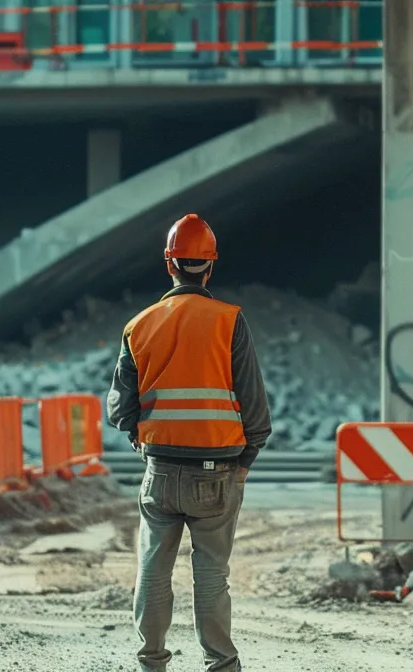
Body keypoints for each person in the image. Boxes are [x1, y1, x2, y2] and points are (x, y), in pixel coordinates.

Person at [106, 213, 272, 672]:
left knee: (154, 570)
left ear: (169, 264)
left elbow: (120, 409)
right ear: (210, 267)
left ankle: (151, 662)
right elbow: (255, 407)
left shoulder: (138, 326)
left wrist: (144, 442)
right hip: (218, 474)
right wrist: (246, 459)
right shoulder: (230, 322)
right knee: (212, 574)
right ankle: (221, 663)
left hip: (160, 471)